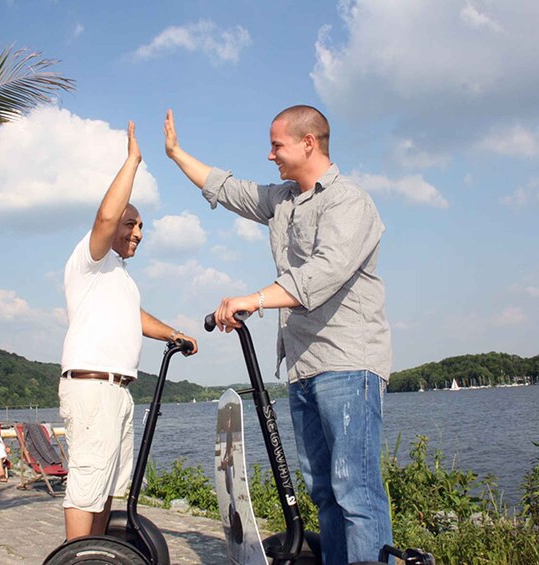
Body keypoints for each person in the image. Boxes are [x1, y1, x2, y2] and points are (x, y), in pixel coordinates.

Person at [165, 106, 392, 564]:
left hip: (348, 363)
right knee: (325, 491)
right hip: (303, 365)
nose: (270, 155)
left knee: (356, 490)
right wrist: (174, 154)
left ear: (308, 142)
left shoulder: (348, 201)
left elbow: (324, 272)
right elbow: (228, 189)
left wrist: (256, 298)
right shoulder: (284, 200)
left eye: (277, 145)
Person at [59, 120, 198, 541]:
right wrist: (133, 161)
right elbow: (104, 215)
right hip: (92, 387)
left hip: (118, 391)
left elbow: (135, 317)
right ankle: (75, 555)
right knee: (87, 488)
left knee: (105, 491)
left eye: (141, 228)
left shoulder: (118, 276)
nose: (137, 232)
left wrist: (174, 334)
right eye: (130, 224)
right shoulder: (91, 259)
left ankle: (97, 554)